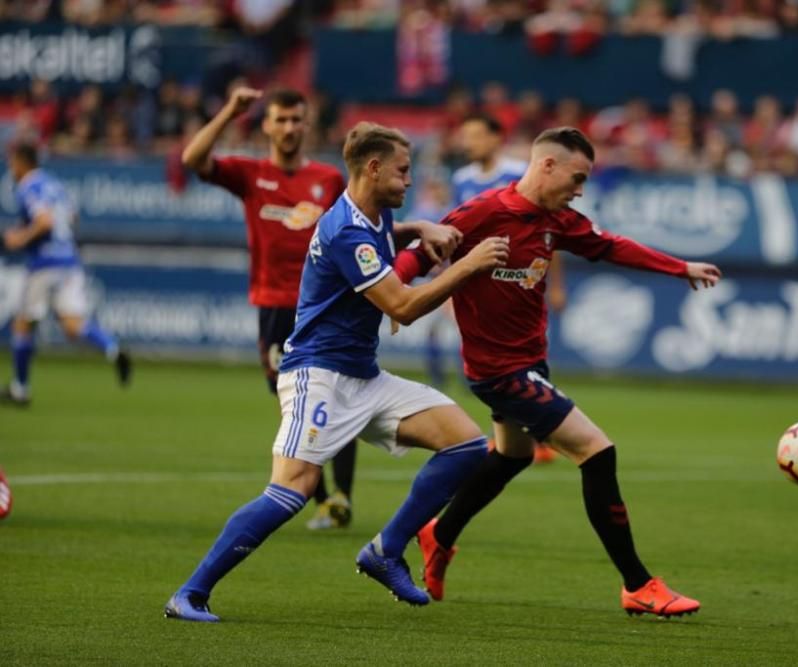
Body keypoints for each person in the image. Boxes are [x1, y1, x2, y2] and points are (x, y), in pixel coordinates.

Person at [164, 122, 510, 622]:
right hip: (317, 375)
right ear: (373, 168)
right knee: (291, 491)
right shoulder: (348, 230)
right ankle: (190, 594)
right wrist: (469, 265)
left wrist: (419, 228)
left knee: (466, 444)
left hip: (363, 377)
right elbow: (403, 307)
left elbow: (386, 239)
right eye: (402, 171)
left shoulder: (371, 215)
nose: (409, 181)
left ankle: (386, 550)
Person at [394, 127, 721, 618]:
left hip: (529, 363)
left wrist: (680, 267)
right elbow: (416, 258)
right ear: (547, 165)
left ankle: (438, 534)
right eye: (577, 177)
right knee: (596, 450)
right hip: (497, 371)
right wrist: (392, 295)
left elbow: (612, 247)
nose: (581, 189)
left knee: (512, 456)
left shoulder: (558, 220)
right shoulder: (481, 213)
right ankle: (638, 583)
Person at [181, 86, 354, 530]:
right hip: (275, 306)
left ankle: (340, 497)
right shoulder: (250, 174)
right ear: (267, 124)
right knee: (293, 403)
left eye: (297, 120)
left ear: (307, 124)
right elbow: (192, 160)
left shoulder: (329, 179)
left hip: (326, 304)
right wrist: (229, 110)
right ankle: (322, 498)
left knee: (340, 393)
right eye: (281, 120)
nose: (290, 128)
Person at [454, 112, 566, 463]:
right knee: (487, 358)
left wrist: (557, 283)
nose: (468, 143)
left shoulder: (520, 173)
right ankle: (514, 434)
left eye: (475, 135)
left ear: (495, 138)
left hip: (519, 279)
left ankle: (542, 432)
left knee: (525, 351)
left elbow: (549, 234)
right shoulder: (461, 179)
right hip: (480, 283)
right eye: (465, 136)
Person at [1, 141, 130, 406]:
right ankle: (112, 348)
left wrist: (21, 238)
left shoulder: (28, 186)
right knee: (73, 324)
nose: (11, 168)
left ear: (23, 162)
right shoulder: (54, 184)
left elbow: (45, 221)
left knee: (23, 325)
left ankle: (20, 388)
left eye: (12, 162)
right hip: (68, 260)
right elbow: (72, 218)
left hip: (44, 264)